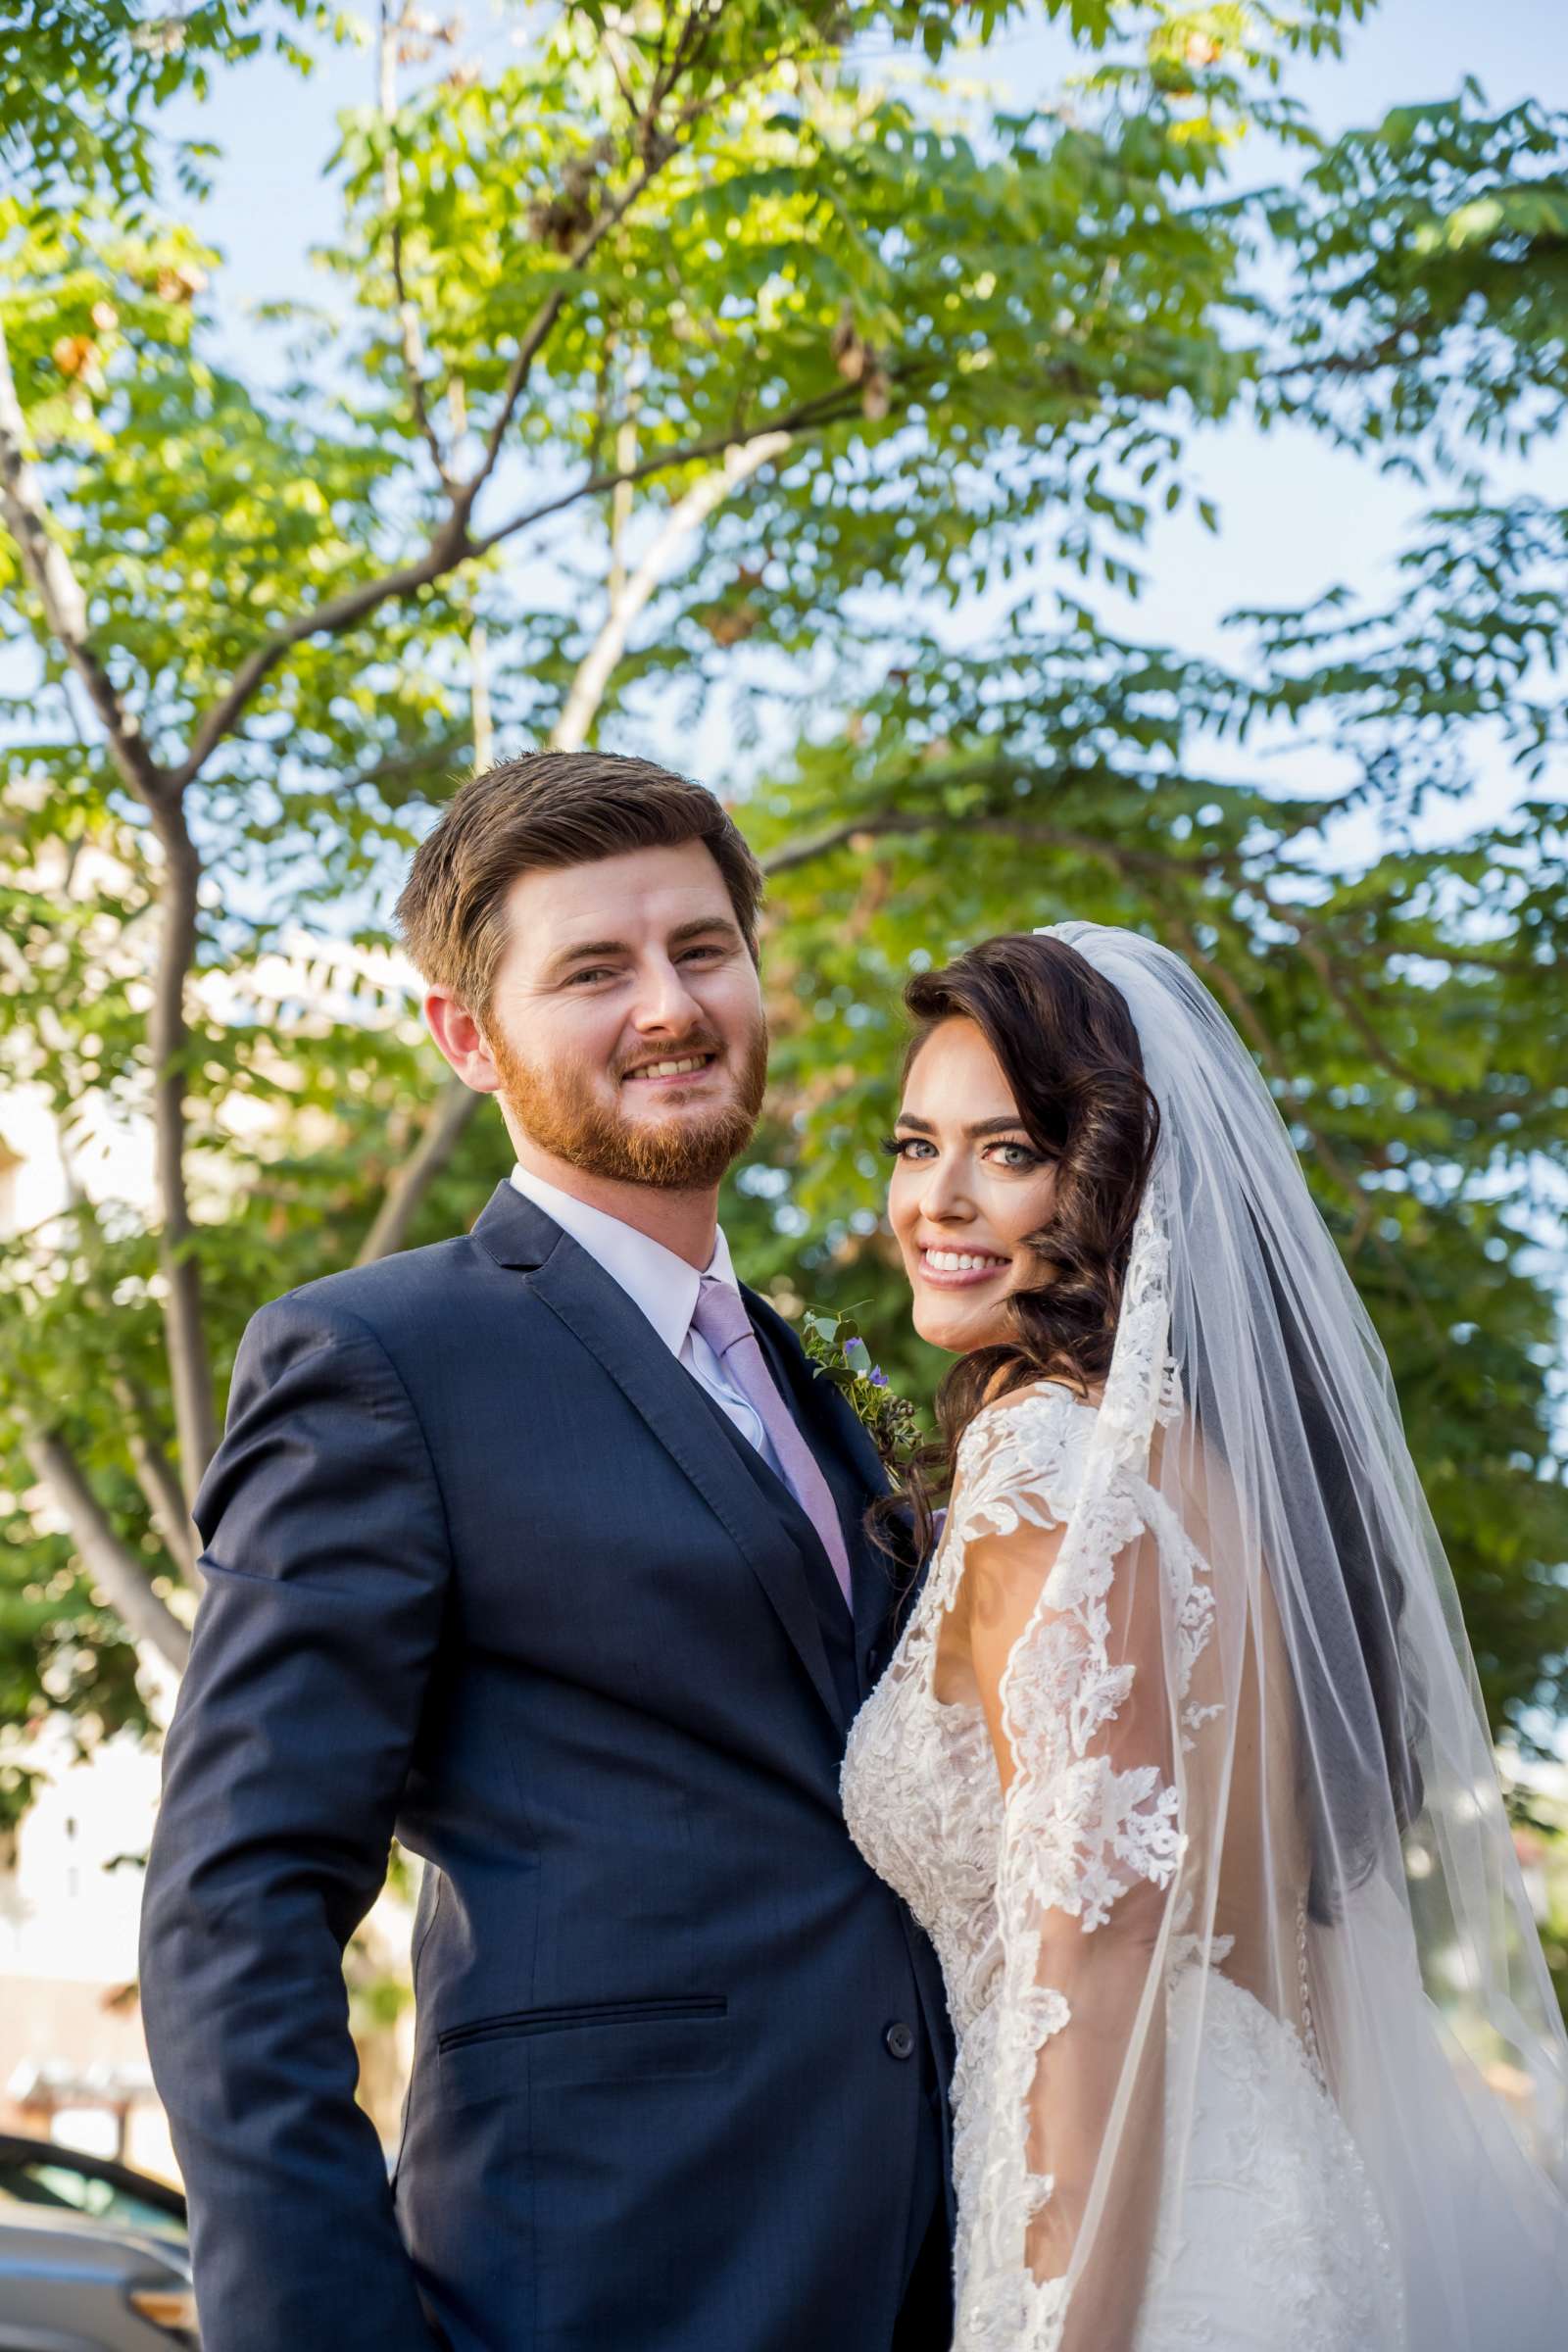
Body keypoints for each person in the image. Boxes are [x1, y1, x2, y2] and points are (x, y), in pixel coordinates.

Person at [139, 752, 954, 2352]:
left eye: (701, 949)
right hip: (589, 2285)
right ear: (468, 1038)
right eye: (595, 969)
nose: (669, 1004)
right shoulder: (376, 1361)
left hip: (920, 2272)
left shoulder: (817, 1382)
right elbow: (237, 1900)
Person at [843, 922, 1568, 2350]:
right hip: (1273, 2186)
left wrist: (1054, 2333)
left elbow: (1094, 1975)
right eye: (914, 1143)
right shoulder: (1209, 1478)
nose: (937, 1199)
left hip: (1131, 2233)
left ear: (1110, 1179)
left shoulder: (1052, 1465)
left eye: (1006, 1152)